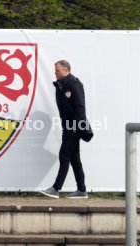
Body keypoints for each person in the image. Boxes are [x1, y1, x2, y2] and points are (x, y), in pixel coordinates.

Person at [40, 60, 92, 199]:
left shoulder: (75, 85)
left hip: (74, 127)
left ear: (65, 70)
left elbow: (80, 108)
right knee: (75, 158)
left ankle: (56, 188)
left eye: (57, 70)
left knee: (64, 155)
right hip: (67, 126)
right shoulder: (61, 85)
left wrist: (77, 125)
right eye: (55, 70)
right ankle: (82, 190)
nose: (55, 72)